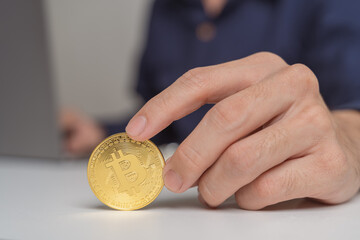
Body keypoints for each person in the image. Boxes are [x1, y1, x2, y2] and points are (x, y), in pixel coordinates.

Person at [62, 0, 360, 210]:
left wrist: (347, 140)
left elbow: (352, 105)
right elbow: (164, 122)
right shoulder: (163, 7)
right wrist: (100, 131)